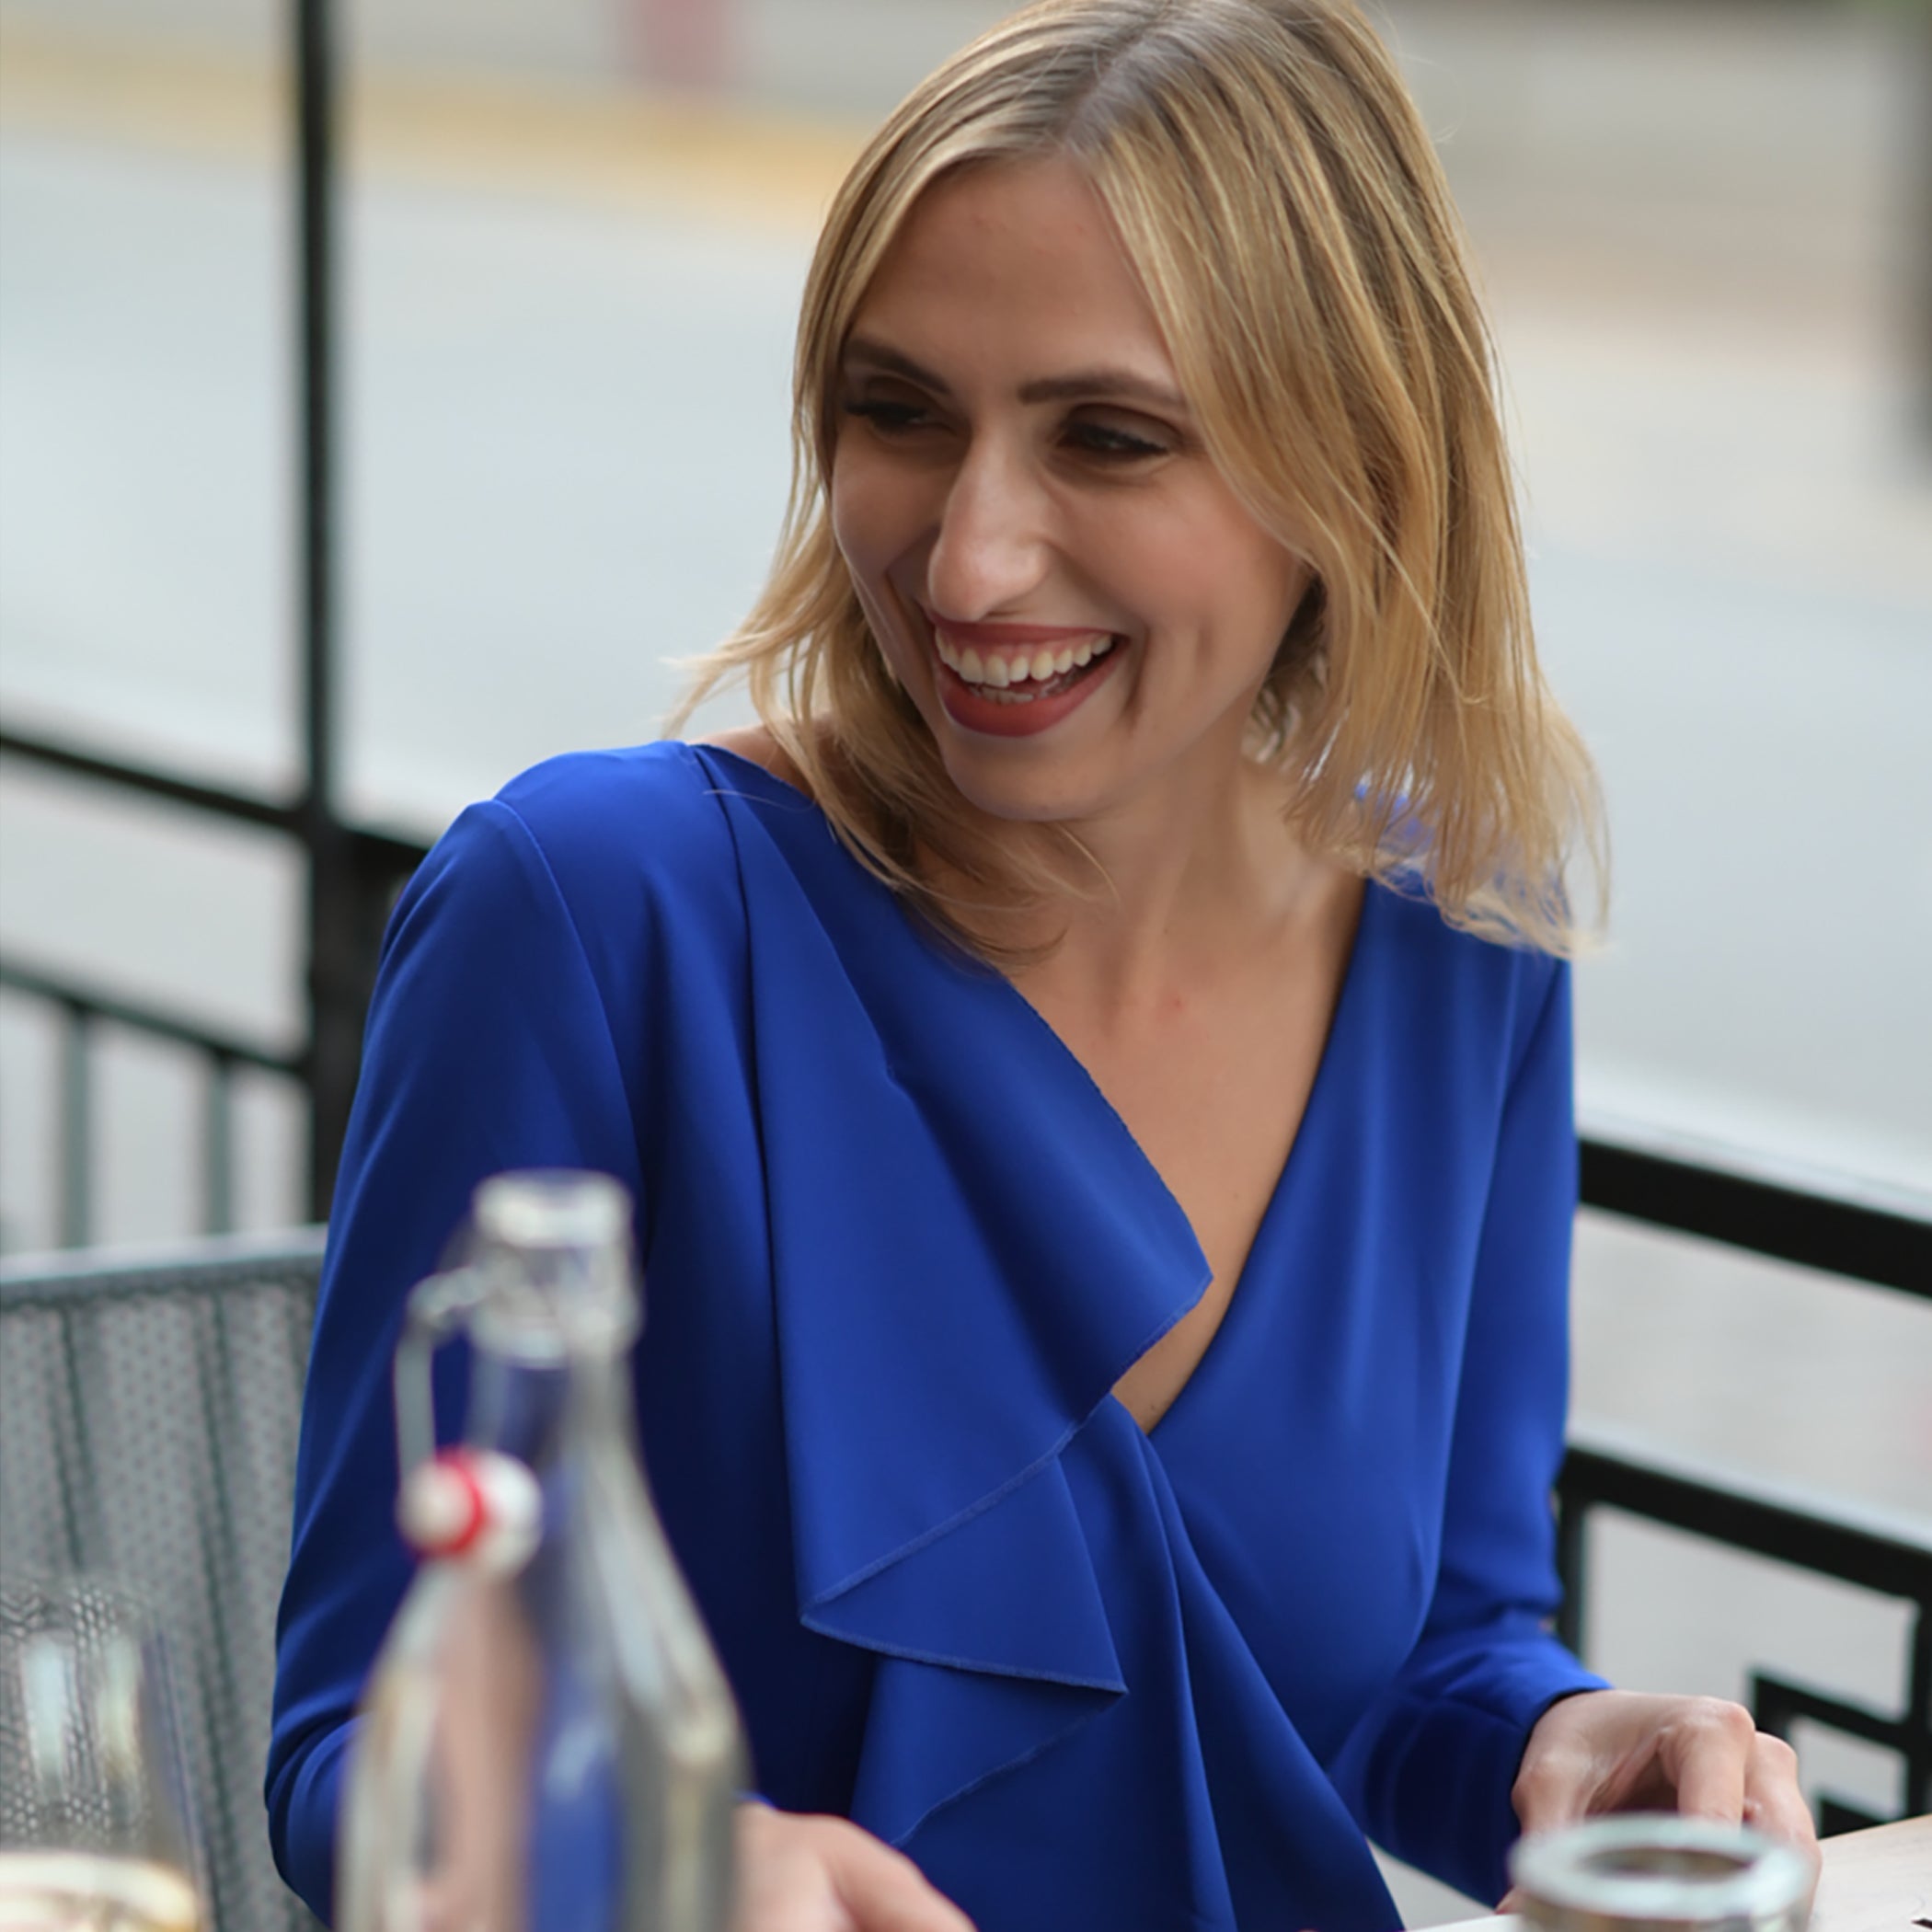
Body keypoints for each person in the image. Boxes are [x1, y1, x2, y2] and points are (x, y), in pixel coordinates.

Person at [267, 3, 1818, 1926]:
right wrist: (653, 1873)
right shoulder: (590, 916)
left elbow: (1432, 1651)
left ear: (1349, 470)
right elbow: (348, 1756)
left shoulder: (1458, 947)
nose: (971, 559)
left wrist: (1557, 1743)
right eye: (898, 410)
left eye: (1108, 436)